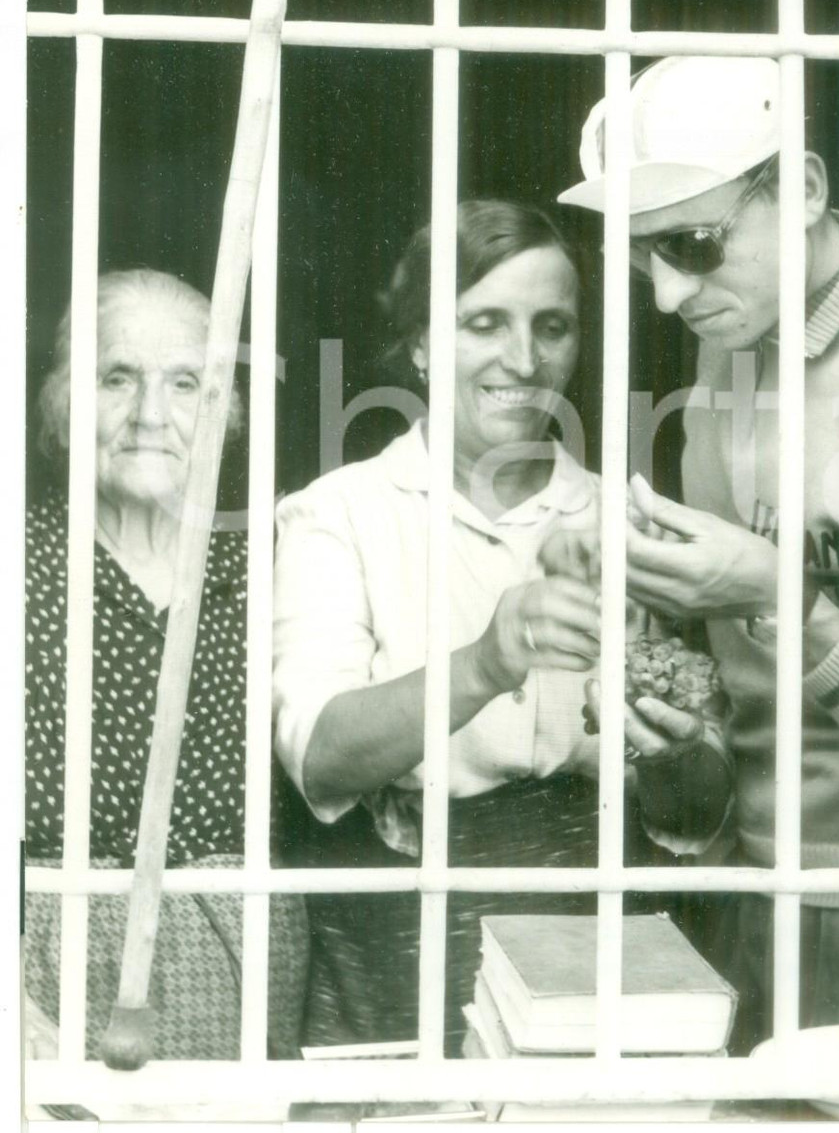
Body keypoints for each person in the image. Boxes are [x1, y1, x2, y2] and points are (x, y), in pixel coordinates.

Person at [558, 57, 839, 1049]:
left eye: (694, 246)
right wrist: (670, 692)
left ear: (801, 189)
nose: (668, 296)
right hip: (738, 889)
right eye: (641, 259)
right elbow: (743, 668)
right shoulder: (736, 333)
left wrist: (790, 610)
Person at [272, 199, 730, 1055]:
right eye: (484, 323)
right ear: (417, 343)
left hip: (596, 932)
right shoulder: (337, 514)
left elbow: (697, 817)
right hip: (397, 937)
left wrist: (675, 756)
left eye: (551, 326)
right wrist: (488, 659)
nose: (523, 359)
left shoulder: (630, 520)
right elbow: (320, 757)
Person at [24, 269, 308, 1061]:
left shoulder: (274, 564)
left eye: (185, 382)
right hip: (39, 966)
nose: (151, 416)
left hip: (239, 961)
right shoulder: (18, 562)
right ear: (61, 402)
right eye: (117, 377)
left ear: (226, 409)